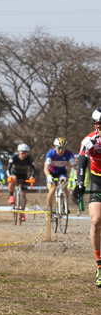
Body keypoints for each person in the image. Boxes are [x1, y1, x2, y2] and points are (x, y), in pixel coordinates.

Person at [73, 106, 101, 287]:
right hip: (98, 181)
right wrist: (80, 183)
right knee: (96, 221)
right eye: (98, 124)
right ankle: (100, 265)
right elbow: (82, 161)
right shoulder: (90, 140)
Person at [44, 138, 75, 211]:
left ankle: (65, 203)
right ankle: (49, 208)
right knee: (52, 189)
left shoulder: (69, 154)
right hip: (51, 173)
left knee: (64, 184)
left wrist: (76, 177)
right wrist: (48, 176)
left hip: (62, 173)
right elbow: (45, 168)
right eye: (59, 148)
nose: (61, 150)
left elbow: (74, 167)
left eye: (63, 148)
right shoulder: (51, 153)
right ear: (55, 147)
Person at [7, 143, 36, 221]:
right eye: (22, 153)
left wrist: (32, 177)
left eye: (25, 153)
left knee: (23, 194)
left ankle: (22, 212)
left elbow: (33, 169)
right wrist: (10, 176)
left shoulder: (29, 159)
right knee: (13, 179)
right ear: (18, 152)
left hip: (23, 176)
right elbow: (8, 169)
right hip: (14, 174)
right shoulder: (14, 158)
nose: (24, 155)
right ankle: (11, 195)